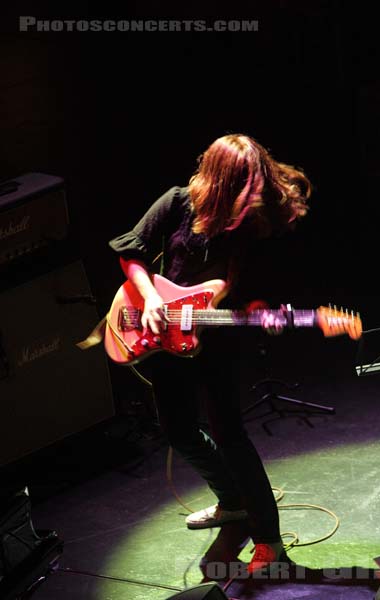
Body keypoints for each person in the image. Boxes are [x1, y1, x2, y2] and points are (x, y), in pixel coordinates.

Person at [108, 133, 312, 575]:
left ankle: (270, 543)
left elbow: (256, 297)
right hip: (164, 331)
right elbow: (132, 250)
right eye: (242, 183)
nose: (252, 191)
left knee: (230, 434)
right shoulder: (179, 202)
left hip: (216, 336)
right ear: (219, 180)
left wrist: (263, 314)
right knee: (178, 430)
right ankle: (231, 502)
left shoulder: (257, 226)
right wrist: (152, 298)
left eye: (256, 181)